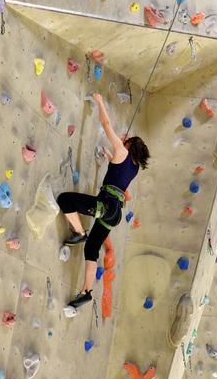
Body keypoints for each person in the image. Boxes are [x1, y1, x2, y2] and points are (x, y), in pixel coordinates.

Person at [57, 92, 150, 310]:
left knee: (65, 200)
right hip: (114, 214)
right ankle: (86, 292)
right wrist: (109, 155)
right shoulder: (134, 167)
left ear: (129, 145)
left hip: (105, 206)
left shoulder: (122, 151)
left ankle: (80, 233)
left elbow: (106, 123)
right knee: (92, 248)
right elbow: (119, 176)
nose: (123, 139)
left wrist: (99, 101)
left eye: (126, 139)